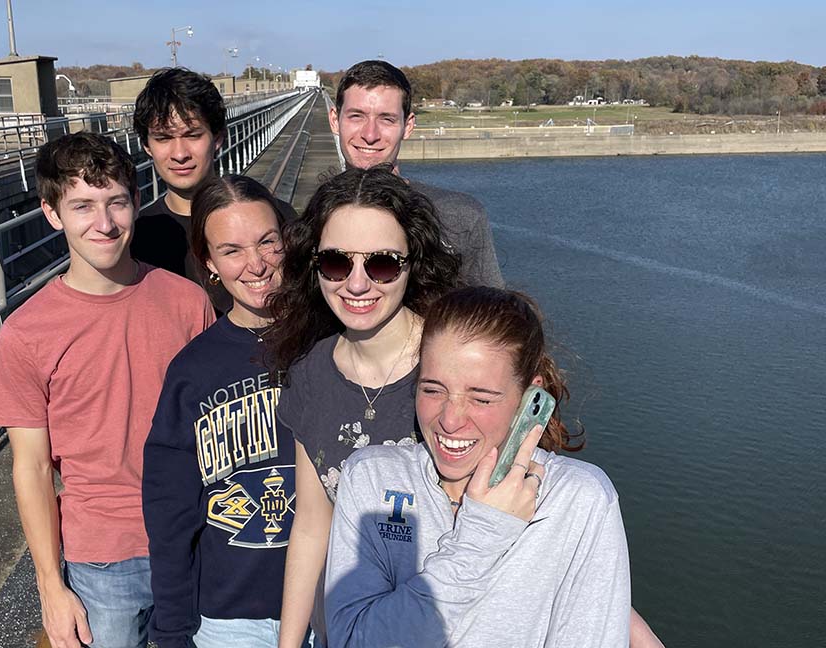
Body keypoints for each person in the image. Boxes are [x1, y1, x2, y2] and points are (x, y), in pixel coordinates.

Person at [0, 132, 214, 648]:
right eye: (83, 207)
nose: (105, 223)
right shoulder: (25, 334)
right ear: (52, 214)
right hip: (102, 557)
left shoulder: (187, 301)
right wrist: (51, 586)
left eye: (116, 202)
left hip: (196, 536)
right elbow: (30, 466)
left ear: (137, 201)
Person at [325, 287, 631, 647]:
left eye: (481, 398)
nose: (450, 421)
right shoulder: (371, 479)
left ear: (530, 396)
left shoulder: (578, 501)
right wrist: (481, 536)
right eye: (433, 390)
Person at [270, 165, 462, 648]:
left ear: (412, 263)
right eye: (336, 262)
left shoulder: (456, 365)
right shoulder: (309, 372)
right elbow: (313, 525)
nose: (357, 285)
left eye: (382, 264)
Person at [142, 175, 302, 648]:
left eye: (267, 243)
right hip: (231, 622)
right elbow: (171, 514)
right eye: (231, 250)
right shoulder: (192, 371)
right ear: (209, 263)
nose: (255, 265)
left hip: (330, 604)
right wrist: (171, 630)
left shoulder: (330, 345)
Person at [131, 67, 297, 313]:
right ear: (146, 146)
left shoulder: (279, 218)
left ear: (218, 138)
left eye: (193, 135)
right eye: (164, 138)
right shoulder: (137, 239)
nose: (180, 154)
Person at [329, 60, 504, 289]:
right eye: (356, 116)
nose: (370, 134)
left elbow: (495, 318)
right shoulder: (314, 220)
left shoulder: (459, 216)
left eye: (386, 119)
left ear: (408, 126)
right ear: (335, 120)